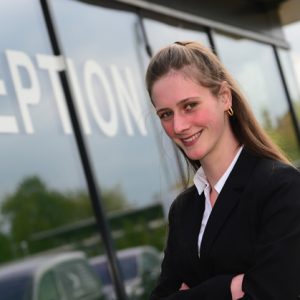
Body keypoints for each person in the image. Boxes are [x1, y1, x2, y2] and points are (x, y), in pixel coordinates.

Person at [145, 40, 300, 300]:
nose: (179, 125)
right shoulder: (183, 210)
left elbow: (272, 292)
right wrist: (228, 288)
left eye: (189, 106)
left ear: (224, 97)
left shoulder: (281, 188)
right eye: (165, 114)